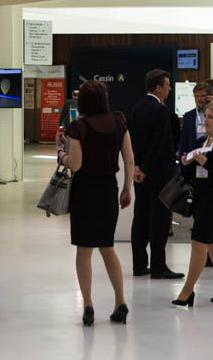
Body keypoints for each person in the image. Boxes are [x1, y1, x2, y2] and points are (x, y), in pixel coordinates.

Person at [57, 80, 133, 326]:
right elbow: (129, 160)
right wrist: (127, 189)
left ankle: (88, 304)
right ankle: (120, 301)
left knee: (84, 250)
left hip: (85, 192)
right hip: (108, 190)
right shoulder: (119, 123)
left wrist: (61, 154)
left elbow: (75, 164)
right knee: (107, 248)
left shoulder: (78, 127)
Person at [174, 101, 213, 307]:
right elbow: (194, 175)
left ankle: (187, 291)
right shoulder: (203, 141)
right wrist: (187, 164)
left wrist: (205, 163)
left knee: (198, 242)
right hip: (202, 199)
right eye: (206, 117)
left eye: (211, 117)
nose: (206, 121)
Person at [129, 69, 183, 279]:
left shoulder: (135, 108)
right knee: (159, 220)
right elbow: (160, 144)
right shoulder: (161, 111)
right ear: (159, 87)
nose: (169, 89)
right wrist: (147, 168)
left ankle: (139, 264)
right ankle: (159, 266)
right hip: (159, 174)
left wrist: (137, 167)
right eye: (168, 85)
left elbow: (133, 142)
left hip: (141, 173)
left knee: (140, 219)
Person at [179, 82, 210, 157]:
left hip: (211, 155)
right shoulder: (188, 116)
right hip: (193, 156)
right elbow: (184, 141)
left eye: (202, 96)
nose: (199, 99)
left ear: (208, 96)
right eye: (196, 96)